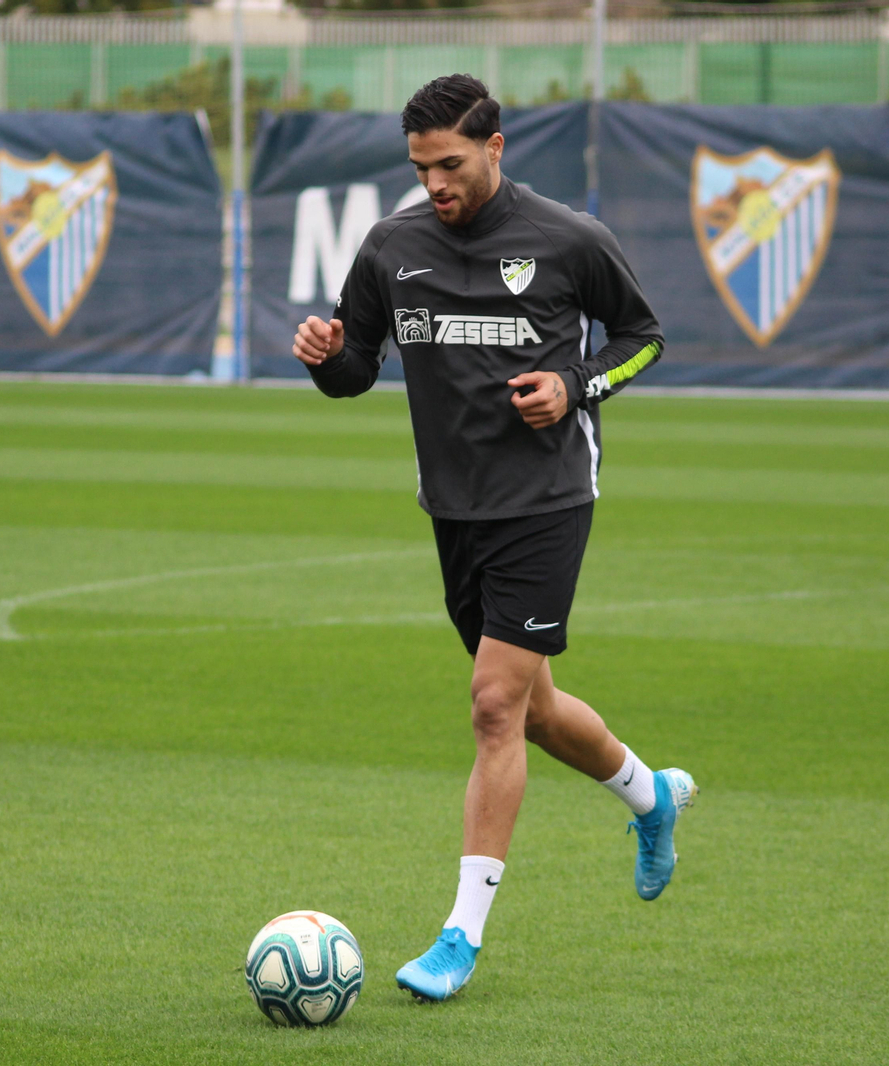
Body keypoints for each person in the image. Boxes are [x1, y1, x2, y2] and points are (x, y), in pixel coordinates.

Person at [290, 74, 696, 1003]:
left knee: (491, 706)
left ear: (495, 147)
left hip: (548, 500)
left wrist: (574, 387)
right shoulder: (391, 247)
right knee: (535, 712)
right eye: (420, 168)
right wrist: (326, 356)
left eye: (450, 164)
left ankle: (458, 938)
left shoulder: (569, 239)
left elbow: (643, 337)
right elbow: (356, 368)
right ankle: (651, 797)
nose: (435, 183)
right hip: (454, 508)